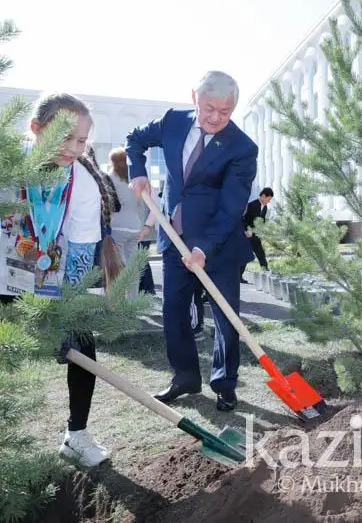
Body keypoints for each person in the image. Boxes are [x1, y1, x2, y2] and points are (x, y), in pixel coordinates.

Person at [126, 71, 257, 412]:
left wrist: (204, 249)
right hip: (174, 235)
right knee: (173, 312)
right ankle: (184, 376)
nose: (215, 117)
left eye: (225, 112)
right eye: (208, 108)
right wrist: (137, 170)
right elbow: (134, 139)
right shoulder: (172, 122)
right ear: (193, 98)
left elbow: (231, 208)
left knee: (226, 317)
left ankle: (224, 383)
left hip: (219, 244)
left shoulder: (242, 148)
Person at [21, 93, 121, 466]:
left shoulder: (83, 185)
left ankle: (76, 435)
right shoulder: (8, 167)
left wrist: (65, 312)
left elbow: (79, 258)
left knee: (82, 340)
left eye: (80, 140)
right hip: (4, 274)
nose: (73, 148)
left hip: (51, 275)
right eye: (64, 137)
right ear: (36, 129)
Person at [241, 187, 273, 282]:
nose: (269, 201)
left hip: (256, 235)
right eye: (268, 199)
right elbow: (244, 219)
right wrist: (246, 230)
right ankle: (238, 276)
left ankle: (266, 272)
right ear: (263, 196)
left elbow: (261, 222)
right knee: (246, 255)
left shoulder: (265, 207)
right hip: (247, 235)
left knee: (261, 253)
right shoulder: (251, 205)